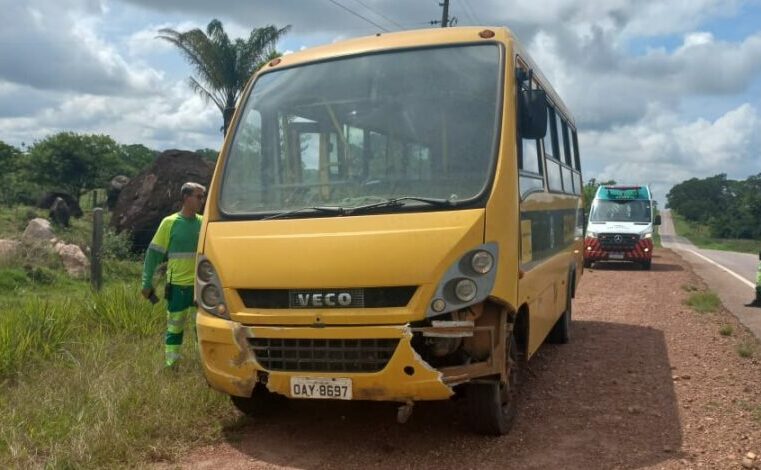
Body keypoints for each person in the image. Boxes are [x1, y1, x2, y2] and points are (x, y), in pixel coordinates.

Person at [141, 182, 206, 368]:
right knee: (174, 328)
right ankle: (171, 364)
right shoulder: (169, 223)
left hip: (200, 287)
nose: (202, 200)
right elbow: (153, 254)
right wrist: (146, 283)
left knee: (202, 329)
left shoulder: (204, 222)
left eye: (203, 197)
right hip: (177, 286)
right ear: (186, 198)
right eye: (198, 196)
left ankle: (206, 366)